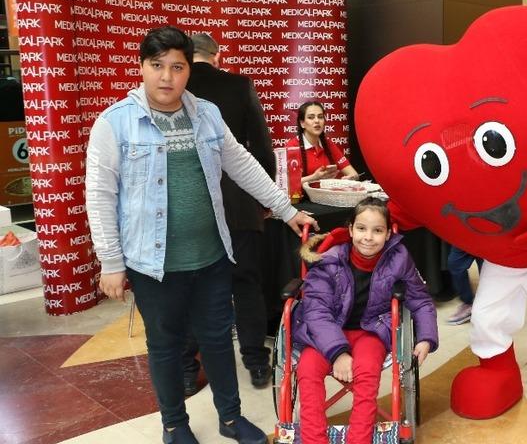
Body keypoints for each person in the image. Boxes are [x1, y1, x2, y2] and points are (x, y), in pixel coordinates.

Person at [85, 26, 318, 444]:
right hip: (153, 265)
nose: (166, 77)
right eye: (157, 66)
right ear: (141, 67)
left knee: (216, 340)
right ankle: (174, 425)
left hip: (211, 256)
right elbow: (100, 196)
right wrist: (111, 262)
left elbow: (243, 164)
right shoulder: (114, 124)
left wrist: (286, 210)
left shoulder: (206, 114)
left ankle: (231, 418)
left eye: (177, 67)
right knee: (165, 346)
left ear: (189, 70)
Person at [291, 197, 438, 444]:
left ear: (388, 233)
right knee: (307, 370)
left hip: (371, 330)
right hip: (327, 332)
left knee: (367, 372)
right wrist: (338, 353)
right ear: (350, 230)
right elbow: (316, 311)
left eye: (377, 230)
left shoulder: (399, 258)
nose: (368, 237)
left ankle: (359, 439)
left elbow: (420, 299)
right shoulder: (330, 260)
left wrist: (426, 337)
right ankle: (313, 440)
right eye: (361, 229)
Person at [179, 33, 276, 393]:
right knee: (246, 284)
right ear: (217, 55)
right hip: (238, 203)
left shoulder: (176, 87)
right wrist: (263, 199)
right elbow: (262, 149)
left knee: (190, 288)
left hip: (189, 204)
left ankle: (189, 369)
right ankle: (255, 362)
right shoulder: (240, 85)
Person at [285, 101, 359, 183]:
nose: (317, 121)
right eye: (311, 117)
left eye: (320, 117)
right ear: (302, 123)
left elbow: (354, 174)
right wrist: (314, 177)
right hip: (302, 195)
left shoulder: (328, 144)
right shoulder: (292, 146)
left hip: (328, 195)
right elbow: (288, 183)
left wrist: (349, 179)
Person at [446, 245, 482, 325]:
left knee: (486, 271)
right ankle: (468, 303)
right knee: (455, 264)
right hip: (465, 237)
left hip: (489, 238)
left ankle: (489, 309)